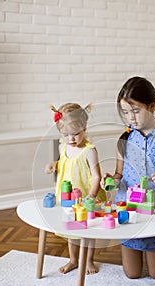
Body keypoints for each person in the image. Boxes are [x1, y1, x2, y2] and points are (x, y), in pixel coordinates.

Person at [101, 76, 155, 280]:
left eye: (136, 110)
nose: (130, 117)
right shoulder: (124, 139)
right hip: (129, 212)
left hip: (154, 212)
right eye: (125, 112)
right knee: (132, 274)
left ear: (152, 106)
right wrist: (111, 181)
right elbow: (119, 174)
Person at [45, 102, 105, 275]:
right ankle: (73, 259)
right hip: (68, 197)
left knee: (88, 230)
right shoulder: (62, 146)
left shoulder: (89, 151)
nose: (70, 139)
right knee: (71, 229)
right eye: (65, 135)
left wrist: (92, 195)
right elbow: (65, 163)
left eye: (75, 134)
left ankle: (88, 260)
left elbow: (96, 175)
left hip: (87, 196)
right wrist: (54, 164)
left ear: (84, 128)